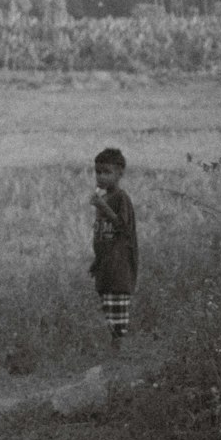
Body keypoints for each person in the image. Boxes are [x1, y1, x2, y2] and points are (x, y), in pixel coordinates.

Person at [88, 147, 138, 352]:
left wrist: (103, 208)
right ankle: (114, 346)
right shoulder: (106, 198)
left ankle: (119, 347)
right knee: (107, 303)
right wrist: (96, 261)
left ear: (120, 173)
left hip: (120, 261)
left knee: (118, 303)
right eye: (98, 172)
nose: (101, 177)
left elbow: (124, 227)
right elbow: (103, 236)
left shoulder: (120, 198)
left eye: (106, 172)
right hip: (106, 262)